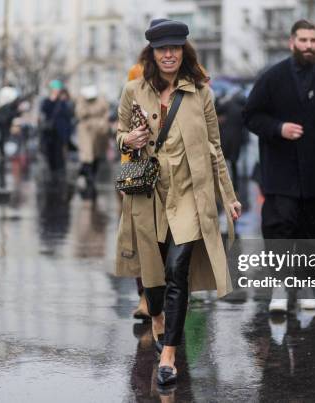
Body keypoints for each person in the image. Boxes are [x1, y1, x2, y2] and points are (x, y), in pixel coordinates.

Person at [114, 19, 241, 386]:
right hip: (148, 194)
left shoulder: (200, 92)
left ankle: (169, 353)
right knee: (152, 280)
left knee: (177, 271)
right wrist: (129, 140)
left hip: (188, 194)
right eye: (161, 48)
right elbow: (119, 133)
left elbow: (215, 148)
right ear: (152, 53)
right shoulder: (133, 90)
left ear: (184, 51)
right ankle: (156, 317)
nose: (169, 54)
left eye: (175, 48)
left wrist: (229, 197)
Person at [242, 19, 315, 312]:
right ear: (291, 42)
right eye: (303, 40)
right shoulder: (272, 77)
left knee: (313, 233)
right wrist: (278, 127)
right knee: (279, 228)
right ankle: (280, 288)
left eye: (313, 41)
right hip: (279, 170)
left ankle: (307, 285)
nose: (309, 46)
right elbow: (251, 115)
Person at [75, 85, 110, 196]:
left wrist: (103, 123)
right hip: (86, 130)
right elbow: (80, 113)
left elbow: (106, 112)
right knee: (87, 155)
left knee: (97, 155)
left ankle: (89, 175)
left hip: (99, 131)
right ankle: (88, 178)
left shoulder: (101, 100)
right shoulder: (81, 101)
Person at [40, 80, 72, 174]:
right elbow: (44, 111)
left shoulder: (63, 102)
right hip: (49, 131)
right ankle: (52, 170)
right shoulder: (46, 101)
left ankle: (59, 172)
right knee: (50, 151)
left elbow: (68, 116)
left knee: (59, 153)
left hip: (60, 131)